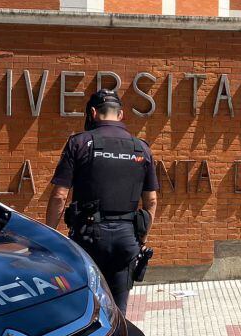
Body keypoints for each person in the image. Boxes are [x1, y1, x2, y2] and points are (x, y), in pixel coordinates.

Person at [45, 89, 158, 314]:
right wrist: (141, 238)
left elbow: (59, 195)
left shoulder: (79, 143)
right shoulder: (141, 148)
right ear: (121, 114)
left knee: (87, 307)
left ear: (93, 113)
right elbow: (151, 201)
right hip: (127, 240)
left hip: (89, 238)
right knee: (119, 311)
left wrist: (50, 236)